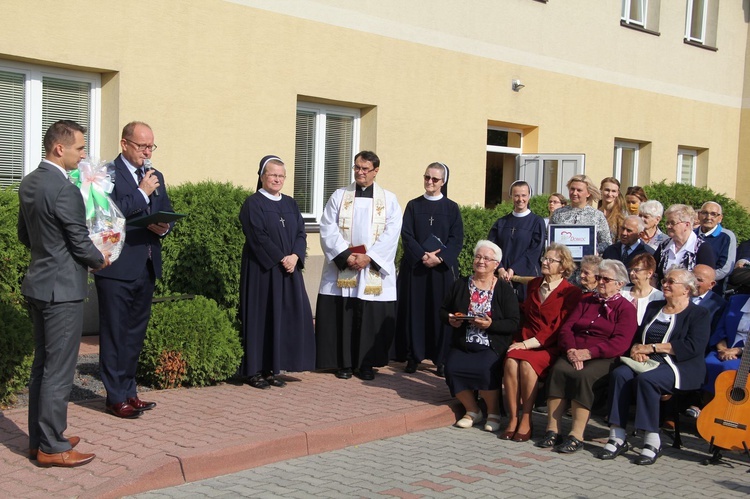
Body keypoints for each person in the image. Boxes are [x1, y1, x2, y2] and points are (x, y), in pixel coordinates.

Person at [18, 120, 110, 467]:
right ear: (60, 148)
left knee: (42, 366)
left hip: (39, 283)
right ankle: (53, 446)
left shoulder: (29, 183)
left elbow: (25, 236)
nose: (83, 154)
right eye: (80, 148)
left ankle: (39, 438)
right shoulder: (65, 188)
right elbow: (79, 241)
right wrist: (99, 258)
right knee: (58, 371)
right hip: (63, 291)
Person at [95, 121, 173, 418]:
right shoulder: (106, 175)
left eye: (151, 146)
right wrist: (141, 193)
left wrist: (164, 227)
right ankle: (114, 396)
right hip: (116, 265)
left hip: (147, 262)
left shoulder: (155, 175)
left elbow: (164, 208)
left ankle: (129, 390)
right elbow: (109, 211)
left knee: (134, 333)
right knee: (115, 331)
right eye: (142, 146)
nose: (147, 152)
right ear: (124, 144)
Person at [600, 269, 709, 465]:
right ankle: (617, 435)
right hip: (647, 361)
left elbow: (693, 346)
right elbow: (640, 334)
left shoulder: (699, 314)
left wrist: (652, 348)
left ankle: (651, 439)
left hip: (679, 366)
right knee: (620, 374)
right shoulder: (655, 307)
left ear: (686, 290)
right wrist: (637, 349)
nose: (665, 284)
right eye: (665, 280)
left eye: (671, 282)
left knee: (647, 380)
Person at [315, 151, 402, 381]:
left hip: (372, 268)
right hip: (345, 265)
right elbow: (327, 227)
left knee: (368, 316)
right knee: (344, 313)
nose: (360, 172)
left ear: (376, 171)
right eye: (357, 168)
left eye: (365, 169)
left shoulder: (389, 200)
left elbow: (392, 233)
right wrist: (346, 256)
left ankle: (366, 364)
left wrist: (369, 257)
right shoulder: (339, 195)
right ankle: (342, 363)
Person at [536, 259, 637, 454]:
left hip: (604, 357)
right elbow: (567, 328)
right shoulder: (586, 301)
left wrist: (589, 353)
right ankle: (552, 430)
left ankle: (576, 435)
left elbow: (620, 343)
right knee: (559, 370)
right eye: (598, 277)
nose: (600, 282)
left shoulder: (626, 309)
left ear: (620, 284)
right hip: (575, 352)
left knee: (584, 377)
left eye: (606, 279)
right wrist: (572, 350)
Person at [238, 155, 315, 389]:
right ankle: (254, 371)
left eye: (281, 176)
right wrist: (280, 258)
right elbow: (257, 236)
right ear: (262, 176)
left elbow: (301, 233)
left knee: (281, 319)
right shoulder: (253, 203)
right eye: (273, 175)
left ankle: (272, 368)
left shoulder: (290, 203)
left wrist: (295, 256)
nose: (277, 179)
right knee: (261, 318)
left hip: (288, 271)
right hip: (263, 271)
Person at [501, 244, 582, 441]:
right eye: (544, 259)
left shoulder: (571, 293)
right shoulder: (534, 284)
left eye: (550, 260)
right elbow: (525, 311)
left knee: (528, 366)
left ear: (563, 267)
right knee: (511, 361)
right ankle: (513, 418)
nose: (544, 262)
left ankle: (527, 418)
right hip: (525, 340)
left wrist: (528, 344)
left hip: (548, 345)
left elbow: (559, 327)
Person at [439, 241, 520, 431]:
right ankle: (473, 410)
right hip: (463, 341)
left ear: (496, 264)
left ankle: (494, 412)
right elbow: (443, 310)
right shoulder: (460, 284)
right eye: (478, 256)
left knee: (485, 369)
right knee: (451, 368)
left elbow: (514, 322)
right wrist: (451, 319)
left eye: (486, 258)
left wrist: (491, 325)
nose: (480, 261)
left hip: (491, 343)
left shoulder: (503, 289)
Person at [395, 162, 463, 376]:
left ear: (443, 182)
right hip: (417, 268)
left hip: (440, 270)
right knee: (415, 311)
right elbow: (406, 234)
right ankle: (413, 356)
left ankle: (440, 358)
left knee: (440, 313)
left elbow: (456, 239)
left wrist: (440, 258)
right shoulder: (414, 205)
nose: (429, 182)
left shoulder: (451, 208)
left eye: (434, 179)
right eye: (427, 177)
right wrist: (422, 255)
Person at [488, 180, 546, 301]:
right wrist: (500, 268)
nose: (520, 199)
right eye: (516, 195)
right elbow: (492, 248)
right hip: (503, 276)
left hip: (526, 276)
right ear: (511, 197)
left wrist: (514, 269)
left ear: (529, 196)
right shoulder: (502, 222)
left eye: (524, 195)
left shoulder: (536, 222)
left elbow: (535, 250)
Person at [653, 204, 716, 284]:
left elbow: (705, 280)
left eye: (672, 223)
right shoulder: (664, 246)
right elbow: (654, 272)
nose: (668, 226)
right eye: (667, 223)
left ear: (687, 225)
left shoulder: (702, 248)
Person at [550, 174, 612, 253]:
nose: (574, 193)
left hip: (587, 262)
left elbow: (607, 242)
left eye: (579, 190)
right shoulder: (558, 213)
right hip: (562, 262)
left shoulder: (597, 215)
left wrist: (594, 250)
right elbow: (549, 237)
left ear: (588, 193)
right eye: (572, 189)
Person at [703, 293, 748, 396]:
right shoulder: (736, 301)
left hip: (746, 355)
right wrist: (723, 349)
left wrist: (738, 350)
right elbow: (720, 328)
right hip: (725, 348)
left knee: (729, 368)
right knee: (708, 362)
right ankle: (703, 404)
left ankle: (724, 406)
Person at [695, 202, 736, 294]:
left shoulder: (726, 237)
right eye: (705, 213)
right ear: (699, 215)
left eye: (713, 214)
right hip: (686, 286)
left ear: (720, 218)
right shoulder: (691, 234)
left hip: (713, 290)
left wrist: (701, 279)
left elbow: (725, 268)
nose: (708, 217)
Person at [619, 253, 663, 325]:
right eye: (631, 270)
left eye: (636, 270)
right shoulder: (622, 292)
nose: (632, 273)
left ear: (649, 273)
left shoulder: (659, 297)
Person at [598, 177, 627, 241]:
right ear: (601, 190)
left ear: (617, 193)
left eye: (613, 191)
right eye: (607, 190)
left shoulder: (623, 215)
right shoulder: (595, 213)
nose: (609, 194)